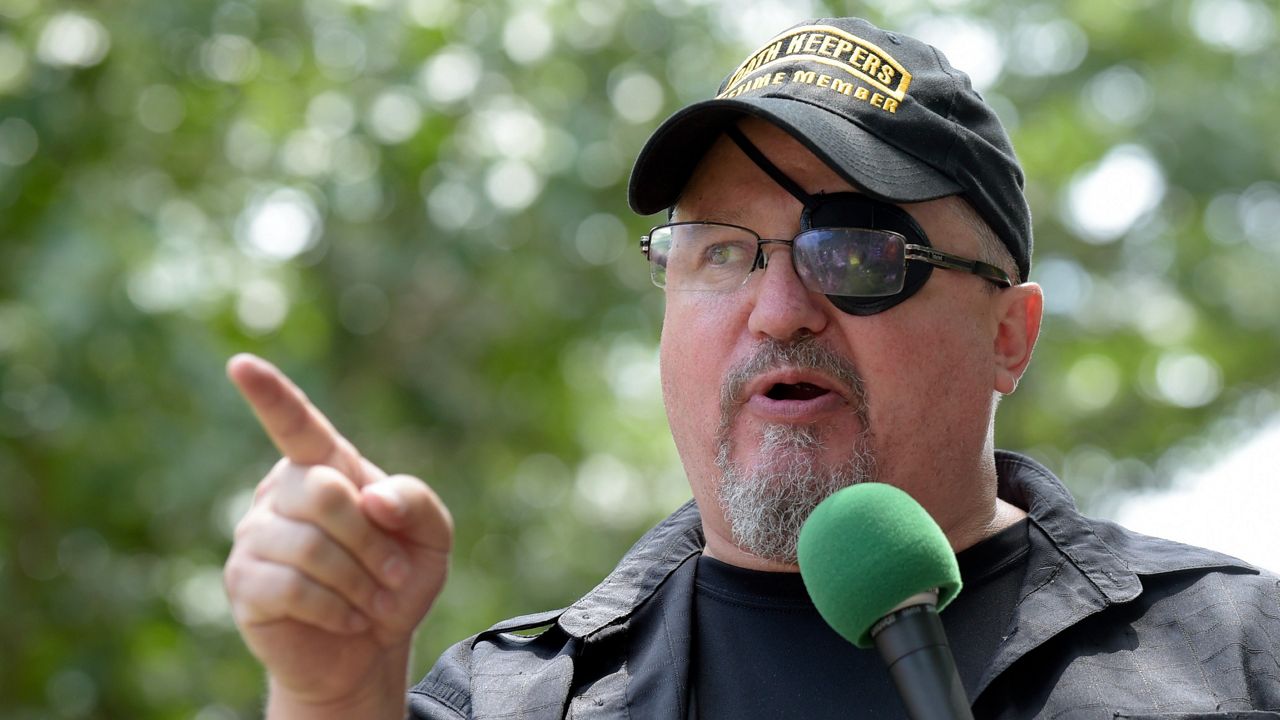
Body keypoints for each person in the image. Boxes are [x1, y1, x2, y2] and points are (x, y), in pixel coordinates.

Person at [221, 16, 1280, 719]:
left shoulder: (1235, 658)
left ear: (1009, 334)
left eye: (856, 252)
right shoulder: (512, 702)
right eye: (722, 252)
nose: (778, 310)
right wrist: (332, 695)